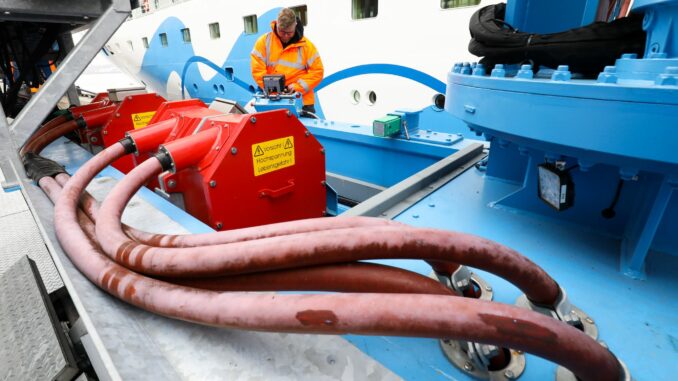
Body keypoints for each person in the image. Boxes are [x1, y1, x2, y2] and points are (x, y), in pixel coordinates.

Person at [251, 8, 324, 114]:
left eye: (289, 33)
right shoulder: (263, 42)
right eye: (282, 32)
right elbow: (257, 70)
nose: (285, 36)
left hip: (302, 102)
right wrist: (272, 88)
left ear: (295, 25)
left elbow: (317, 72)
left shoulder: (307, 46)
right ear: (277, 25)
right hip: (271, 101)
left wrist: (297, 87)